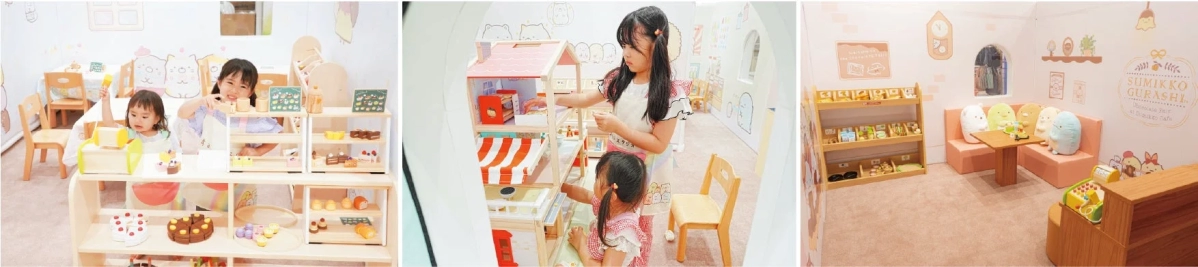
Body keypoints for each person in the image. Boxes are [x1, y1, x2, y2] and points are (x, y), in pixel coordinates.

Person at [525, 5, 691, 246]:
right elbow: (585, 98)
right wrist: (551, 98)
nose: (626, 53)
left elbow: (658, 143)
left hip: (645, 170)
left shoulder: (671, 94)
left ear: (656, 45)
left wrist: (617, 127)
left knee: (639, 226)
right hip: (616, 162)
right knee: (610, 213)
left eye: (633, 46)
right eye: (624, 45)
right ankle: (607, 255)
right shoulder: (619, 78)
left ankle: (633, 260)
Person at [176, 58, 280, 212]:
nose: (234, 90)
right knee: (207, 218)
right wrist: (201, 101)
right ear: (219, 83)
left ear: (250, 92)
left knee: (239, 218)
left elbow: (277, 134)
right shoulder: (206, 110)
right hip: (209, 177)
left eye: (243, 86)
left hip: (239, 180)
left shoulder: (252, 117)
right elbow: (182, 113)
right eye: (230, 82)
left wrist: (257, 151)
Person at [95, 88, 183, 210]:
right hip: (139, 183)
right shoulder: (131, 134)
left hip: (164, 183)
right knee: (139, 214)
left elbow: (178, 153)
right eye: (133, 115)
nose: (137, 120)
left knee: (166, 212)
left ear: (157, 119)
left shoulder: (166, 133)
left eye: (144, 116)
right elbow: (109, 124)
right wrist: (105, 102)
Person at [562, 151, 650, 267]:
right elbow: (585, 195)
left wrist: (580, 244)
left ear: (611, 195)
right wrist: (561, 187)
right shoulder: (613, 203)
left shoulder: (622, 235)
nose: (595, 181)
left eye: (597, 179)